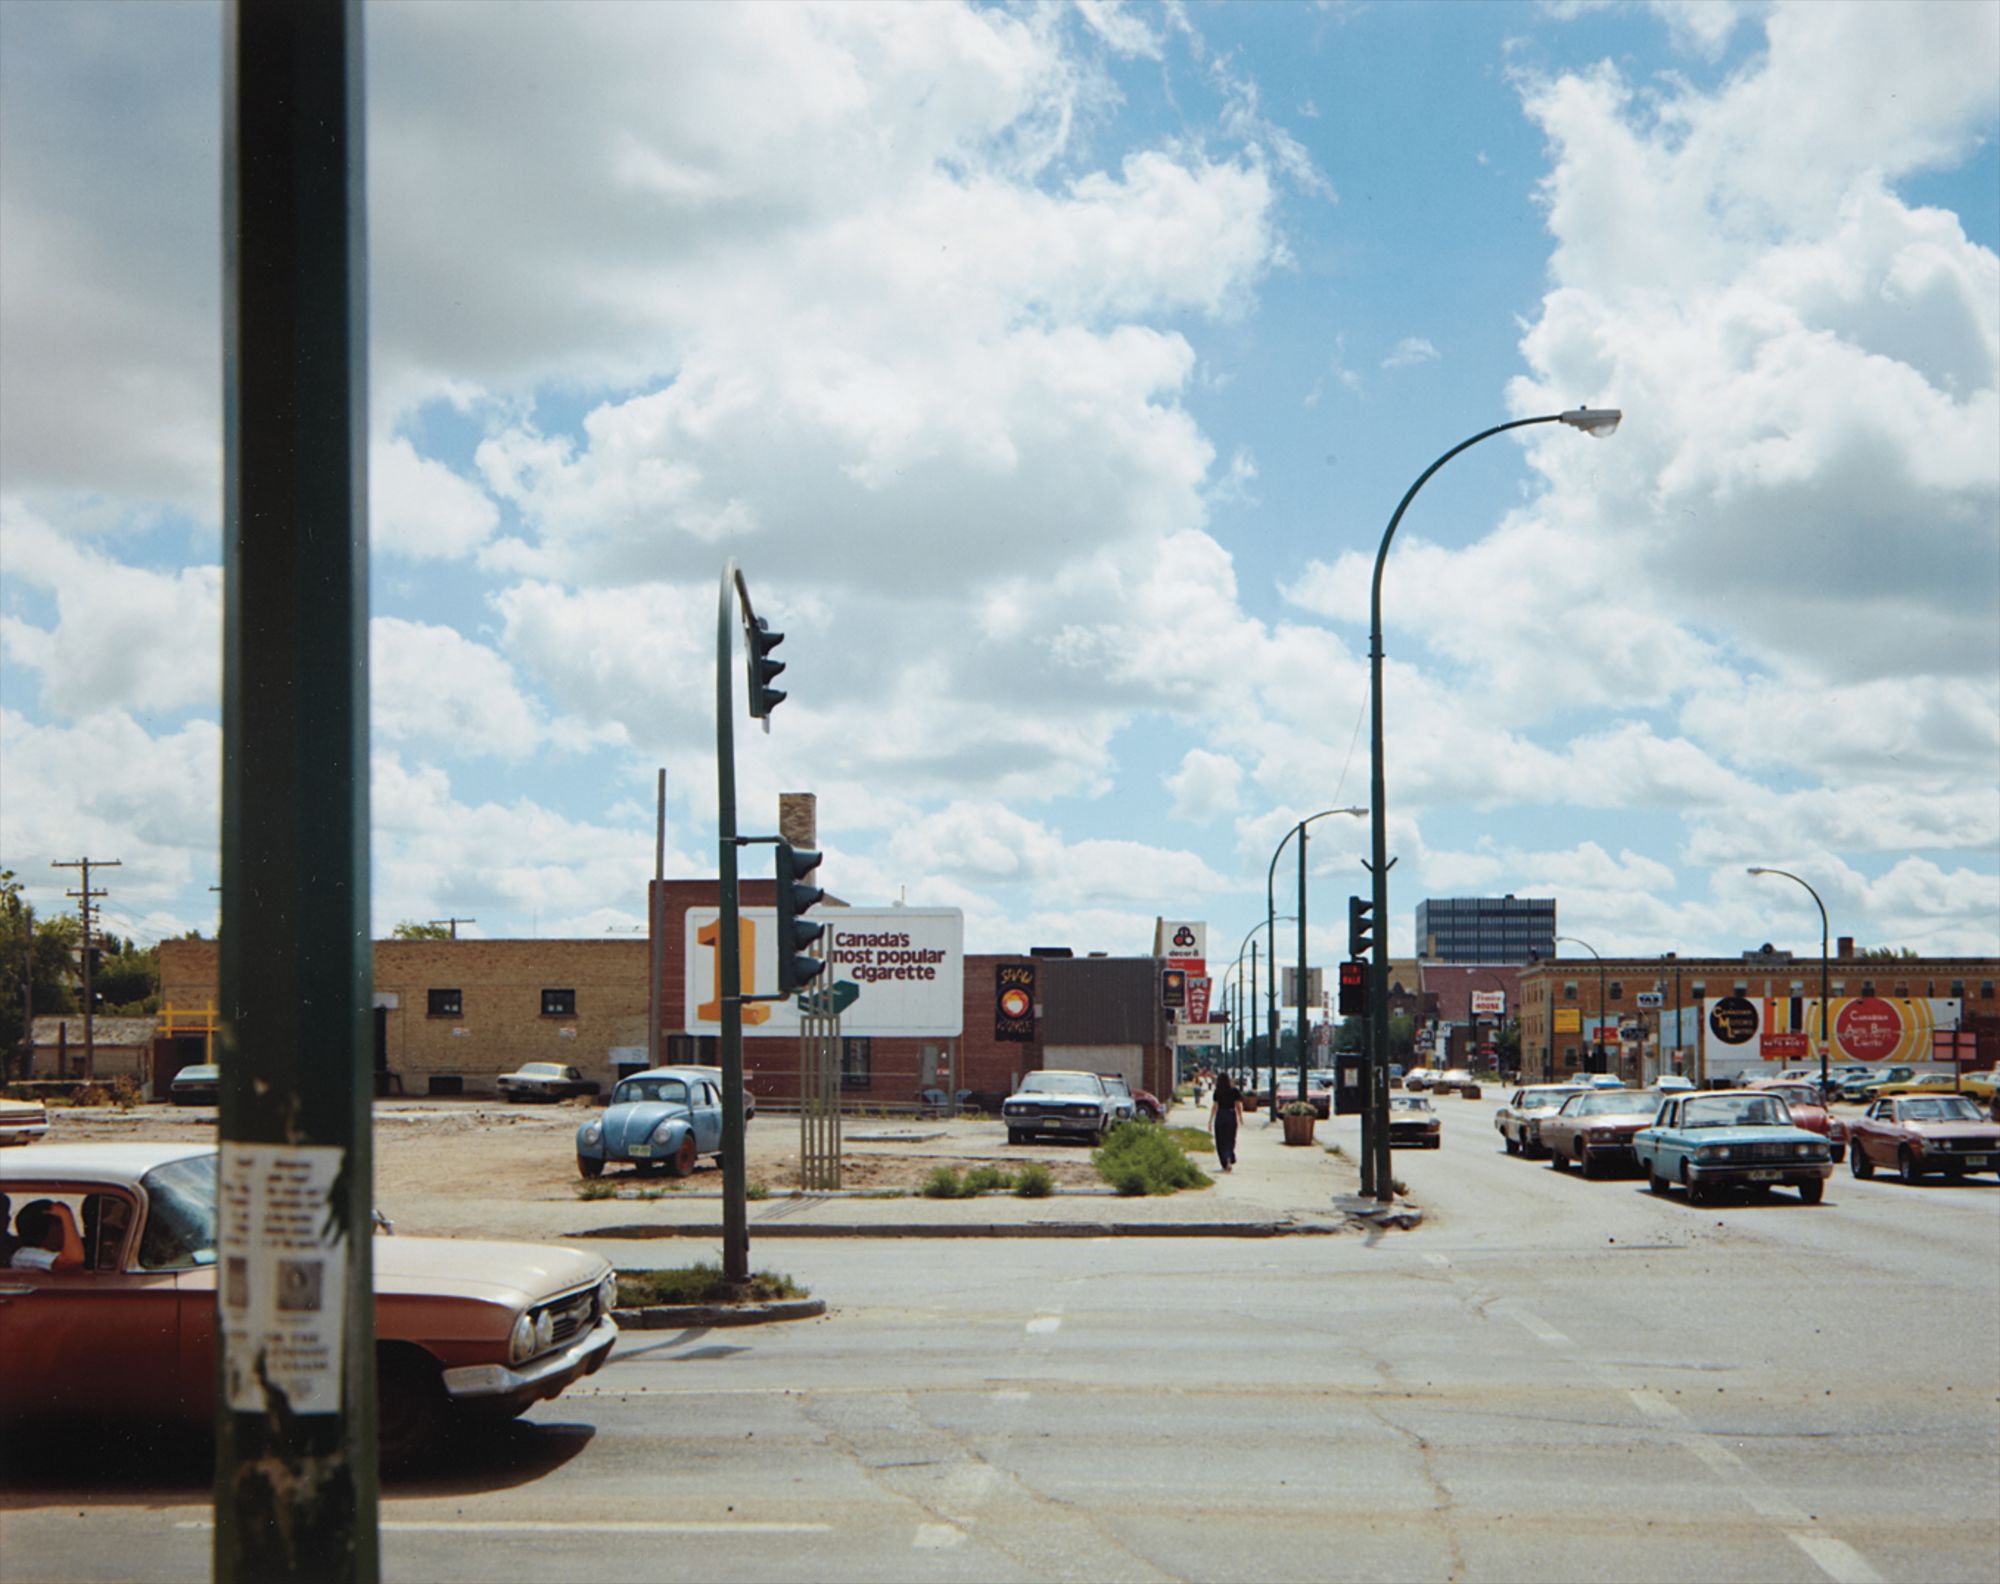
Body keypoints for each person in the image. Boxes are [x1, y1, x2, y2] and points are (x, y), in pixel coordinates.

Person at [9, 1199, 84, 1272]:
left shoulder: (56, 1253)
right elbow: (74, 1259)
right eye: (59, 1223)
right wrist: (65, 1213)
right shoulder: (24, 1255)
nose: (66, 1229)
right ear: (43, 1227)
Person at [1209, 1071, 1244, 1173]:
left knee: (1220, 1139)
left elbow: (1215, 1106)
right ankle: (1229, 1156)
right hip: (1231, 1115)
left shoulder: (1218, 1091)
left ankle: (1224, 1161)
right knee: (1230, 1138)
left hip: (1220, 1115)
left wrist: (1210, 1120)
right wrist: (1240, 1117)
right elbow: (1238, 1105)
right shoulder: (1234, 1091)